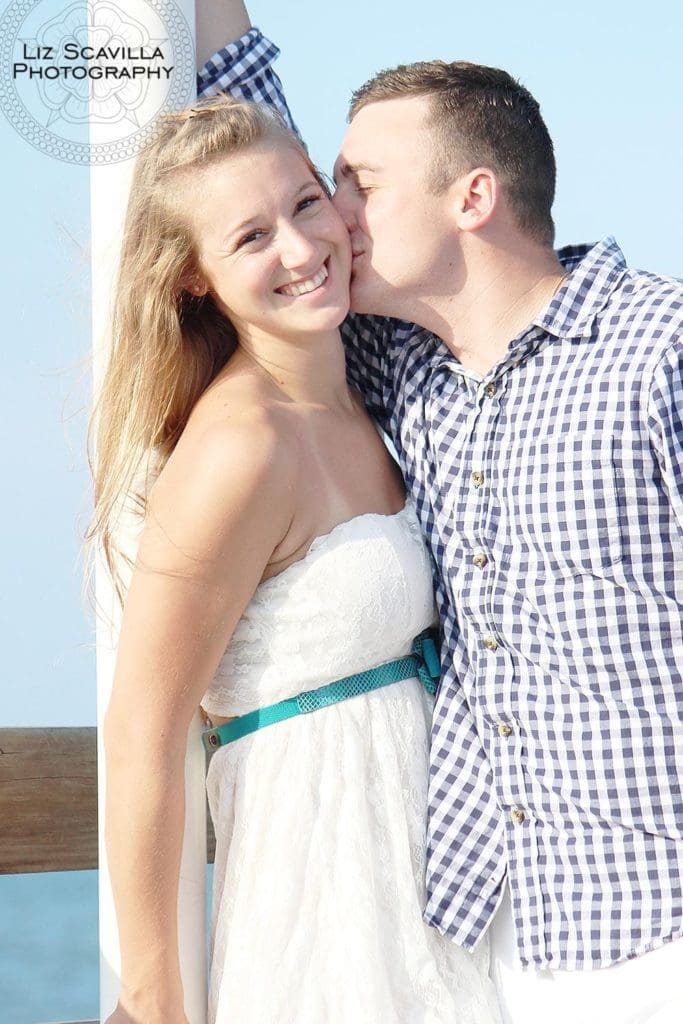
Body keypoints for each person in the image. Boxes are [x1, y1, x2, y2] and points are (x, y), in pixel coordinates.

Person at [197, 4, 683, 1023]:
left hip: (657, 929)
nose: (329, 220)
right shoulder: (396, 364)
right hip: (486, 935)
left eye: (356, 186)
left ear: (472, 197)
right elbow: (253, 128)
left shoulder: (658, 349)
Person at [90, 88, 502, 1023]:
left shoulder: (362, 390)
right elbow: (143, 728)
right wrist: (152, 997)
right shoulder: (240, 448)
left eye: (306, 202)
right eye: (250, 237)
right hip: (322, 891)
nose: (300, 247)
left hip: (432, 888)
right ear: (193, 279)